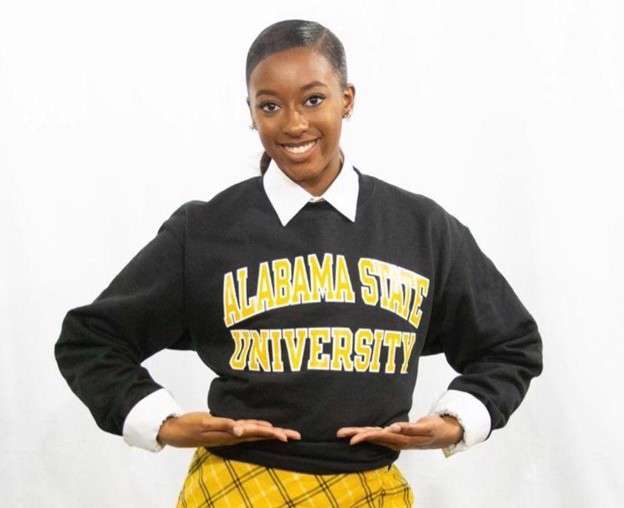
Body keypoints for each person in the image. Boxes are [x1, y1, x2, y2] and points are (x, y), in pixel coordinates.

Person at [54, 19, 543, 507]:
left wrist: (458, 421)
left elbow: (510, 345)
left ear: (346, 99)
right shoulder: (205, 230)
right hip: (235, 491)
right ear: (251, 112)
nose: (293, 124)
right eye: (270, 106)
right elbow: (90, 341)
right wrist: (162, 423)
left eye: (313, 99)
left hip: (370, 492)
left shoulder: (421, 228)